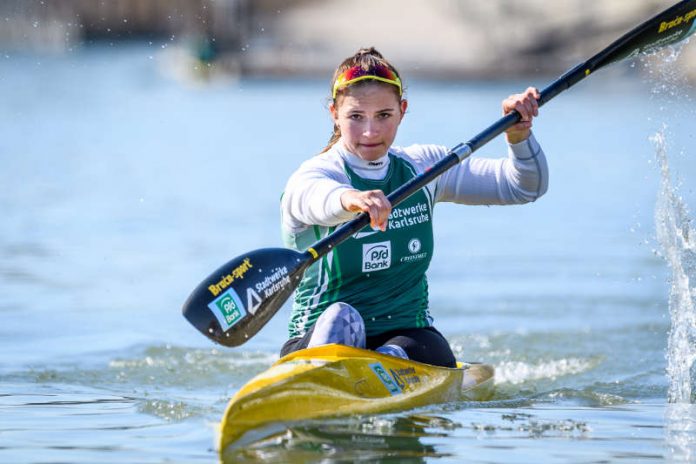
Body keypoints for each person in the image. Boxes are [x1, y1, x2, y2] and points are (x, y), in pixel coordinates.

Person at [279, 47, 547, 367]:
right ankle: (339, 358)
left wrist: (519, 136)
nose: (370, 131)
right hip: (316, 340)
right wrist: (350, 199)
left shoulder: (423, 168)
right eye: (355, 117)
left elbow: (523, 186)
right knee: (342, 317)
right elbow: (315, 200)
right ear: (334, 113)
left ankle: (386, 362)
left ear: (402, 111)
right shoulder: (316, 174)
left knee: (433, 350)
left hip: (405, 334)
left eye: (384, 115)